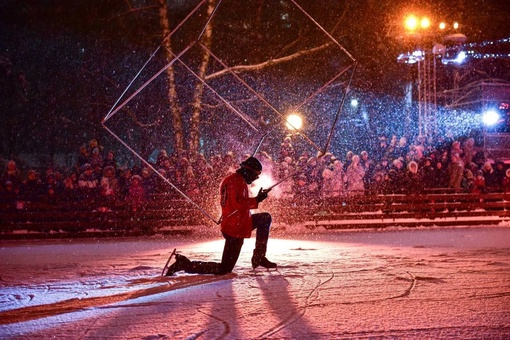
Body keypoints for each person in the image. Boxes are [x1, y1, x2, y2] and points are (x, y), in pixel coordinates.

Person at [165, 157, 276, 276]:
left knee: (265, 218)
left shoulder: (235, 179)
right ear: (248, 171)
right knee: (225, 269)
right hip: (235, 228)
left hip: (240, 222)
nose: (256, 177)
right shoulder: (236, 181)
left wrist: (255, 199)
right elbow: (237, 203)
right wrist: (256, 200)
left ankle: (259, 256)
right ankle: (185, 264)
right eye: (256, 174)